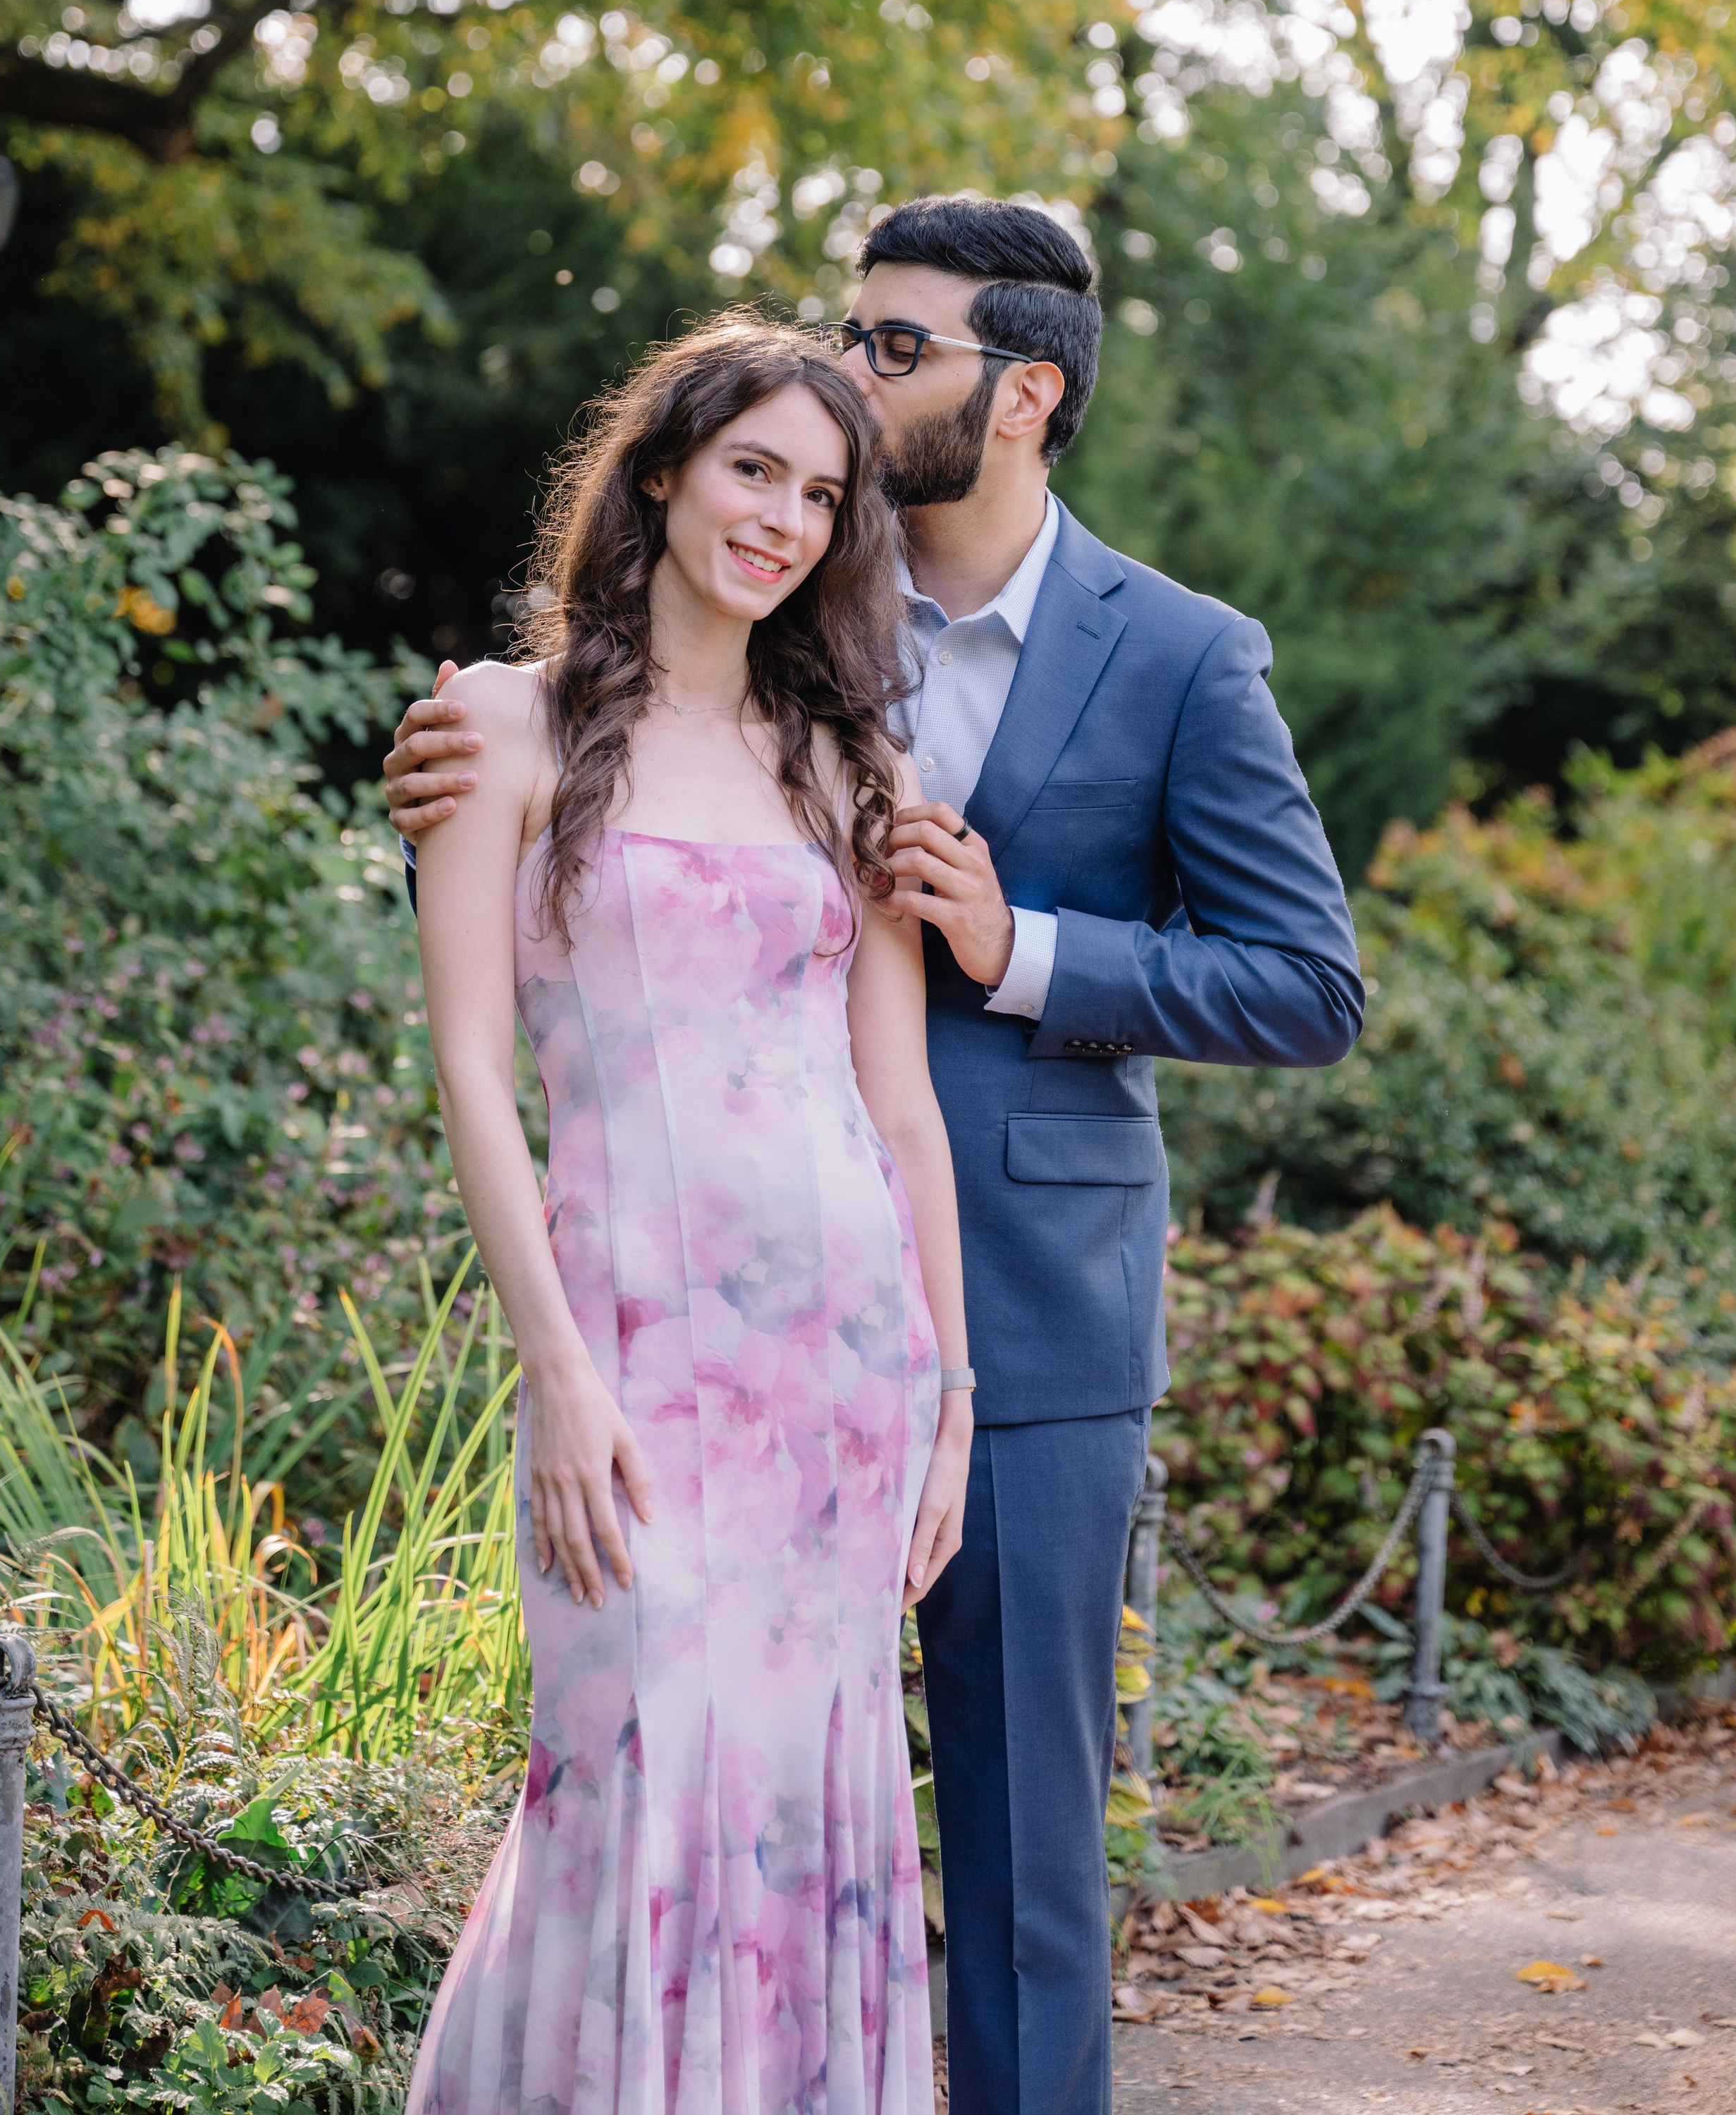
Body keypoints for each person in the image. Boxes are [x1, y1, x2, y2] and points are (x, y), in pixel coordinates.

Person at [387, 198, 1365, 2115]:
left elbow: (1311, 983)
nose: (849, 381)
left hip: (1013, 1331)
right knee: (671, 1784)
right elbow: (573, 860)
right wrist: (441, 779)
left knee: (1008, 1867)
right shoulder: (786, 610)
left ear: (1028, 392)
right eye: (839, 346)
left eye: (893, 350)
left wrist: (1027, 952)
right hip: (688, 1317)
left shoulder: (1177, 655)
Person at [405, 317, 972, 2115]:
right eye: (753, 470)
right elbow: (472, 1076)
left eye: (821, 493)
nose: (785, 519)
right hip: (630, 1364)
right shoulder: (504, 725)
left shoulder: (846, 765)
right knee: (628, 1783)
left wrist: (950, 1394)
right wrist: (557, 1373)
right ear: (659, 469)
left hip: (843, 1377)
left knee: (810, 1814)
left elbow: (899, 1104)